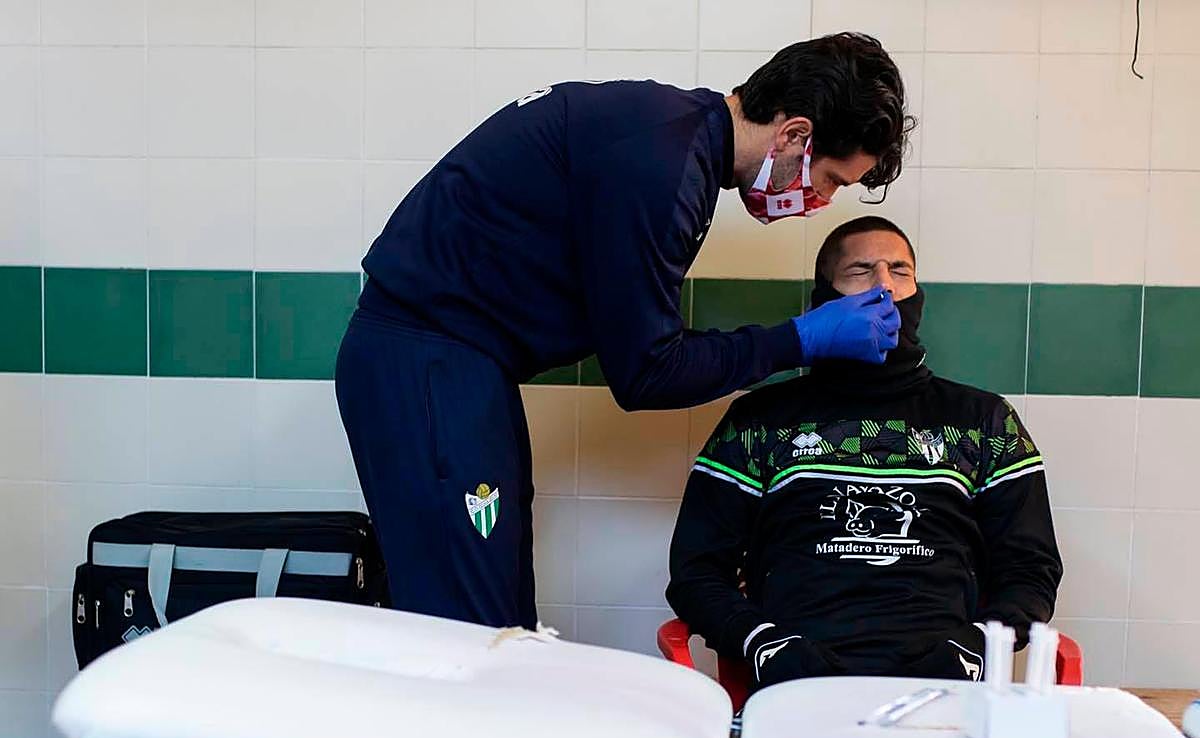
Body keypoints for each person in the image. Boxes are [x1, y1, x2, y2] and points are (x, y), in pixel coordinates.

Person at [336, 34, 915, 629]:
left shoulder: (674, 136)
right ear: (794, 135)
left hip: (458, 366)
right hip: (425, 365)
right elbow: (646, 373)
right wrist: (800, 340)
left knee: (501, 621)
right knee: (464, 630)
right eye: (831, 179)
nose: (821, 200)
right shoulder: (662, 165)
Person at [666, 216, 1063, 691]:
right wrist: (763, 644)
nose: (883, 286)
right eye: (860, 271)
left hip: (945, 687)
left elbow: (1031, 571)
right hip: (797, 685)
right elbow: (696, 572)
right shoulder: (757, 421)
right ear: (825, 300)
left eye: (900, 270)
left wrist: (973, 648)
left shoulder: (986, 421)